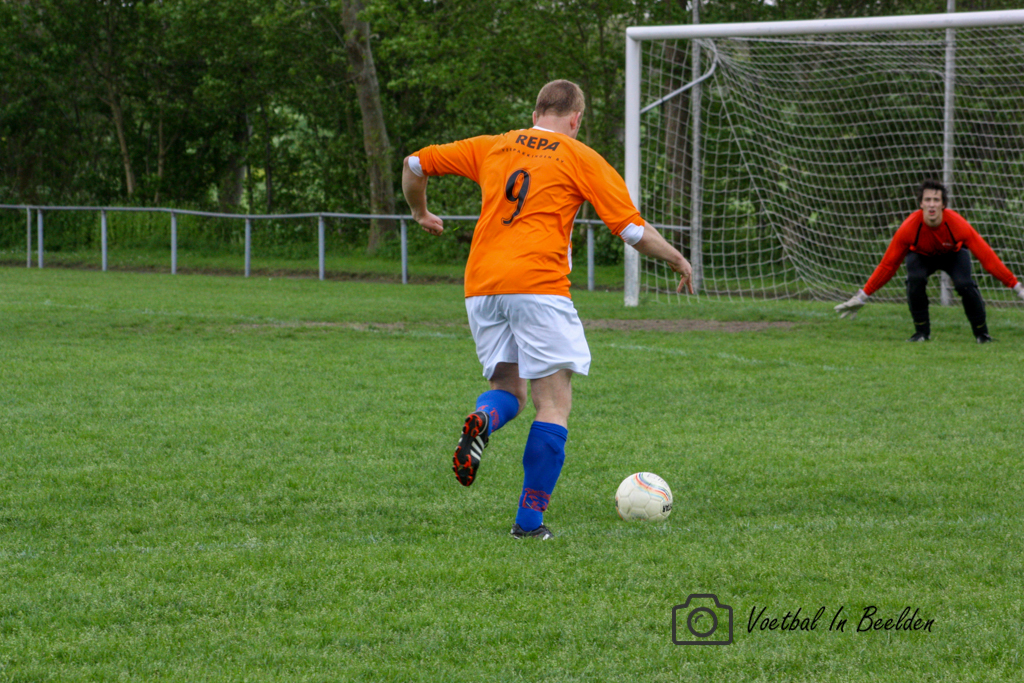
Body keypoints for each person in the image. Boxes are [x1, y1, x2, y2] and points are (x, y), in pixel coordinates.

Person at [402, 79, 693, 540]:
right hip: (538, 285)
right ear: (575, 119)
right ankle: (529, 524)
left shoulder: (494, 145)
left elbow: (414, 163)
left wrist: (420, 213)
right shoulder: (580, 157)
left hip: (481, 287)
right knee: (553, 404)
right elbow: (631, 230)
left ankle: (484, 419)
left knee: (508, 390)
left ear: (535, 113)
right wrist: (677, 258)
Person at [834, 179, 1024, 342]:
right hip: (921, 256)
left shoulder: (958, 224)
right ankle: (921, 333)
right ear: (921, 204)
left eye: (936, 200)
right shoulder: (909, 228)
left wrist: (1017, 288)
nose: (932, 204)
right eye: (927, 200)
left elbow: (988, 258)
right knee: (915, 280)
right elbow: (888, 265)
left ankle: (982, 334)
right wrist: (862, 296)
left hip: (953, 255)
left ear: (943, 205)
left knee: (965, 284)